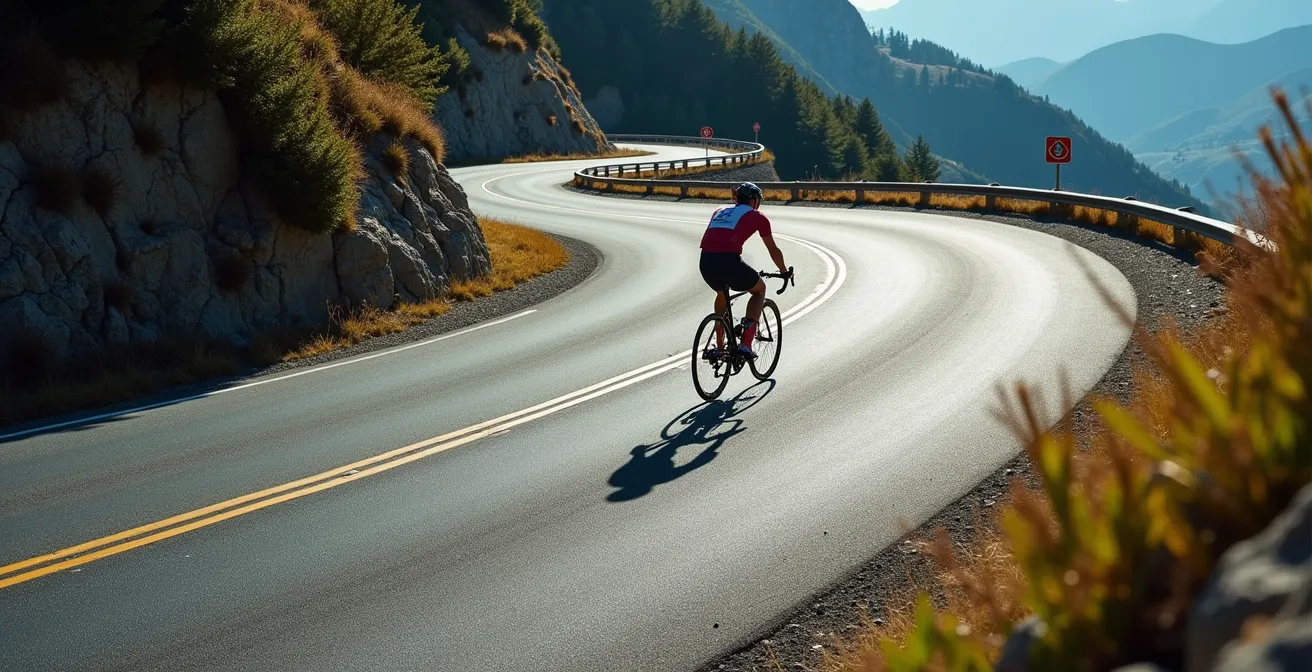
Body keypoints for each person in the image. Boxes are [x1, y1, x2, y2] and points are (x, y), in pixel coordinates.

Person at [698, 182, 790, 359]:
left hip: (705, 262)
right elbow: (773, 249)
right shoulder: (758, 217)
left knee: (721, 293)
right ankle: (746, 344)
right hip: (729, 262)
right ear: (754, 200)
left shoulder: (719, 211)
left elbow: (718, 239)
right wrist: (783, 271)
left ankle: (719, 345)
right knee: (759, 289)